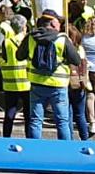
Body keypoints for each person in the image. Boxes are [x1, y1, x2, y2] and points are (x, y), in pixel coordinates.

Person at [17, 9, 82, 140]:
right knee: (62, 122)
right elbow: (76, 60)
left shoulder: (31, 37)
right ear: (53, 23)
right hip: (58, 86)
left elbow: (19, 56)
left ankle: (36, 151)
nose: (60, 25)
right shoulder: (62, 39)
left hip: (36, 84)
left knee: (36, 121)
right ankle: (65, 151)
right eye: (59, 22)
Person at [0, 13, 31, 137]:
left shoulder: (7, 42)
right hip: (27, 82)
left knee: (10, 113)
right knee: (28, 114)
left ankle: (6, 138)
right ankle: (30, 139)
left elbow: (2, 59)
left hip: (11, 83)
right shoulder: (29, 40)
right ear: (24, 27)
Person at [66, 28, 91, 140]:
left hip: (67, 83)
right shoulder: (81, 49)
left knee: (68, 115)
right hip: (80, 84)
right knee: (80, 115)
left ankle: (70, 139)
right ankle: (85, 139)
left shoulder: (66, 49)